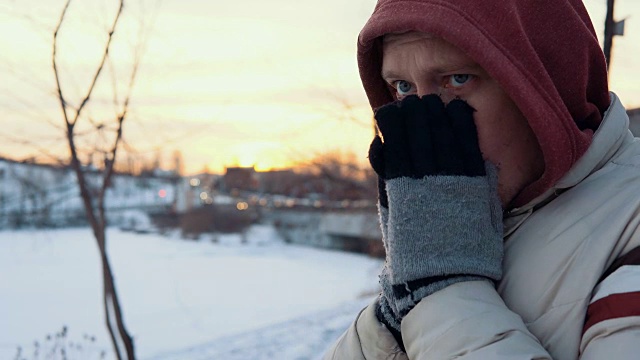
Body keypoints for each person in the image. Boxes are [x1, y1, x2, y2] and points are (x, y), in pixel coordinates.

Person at [324, 0, 640, 359]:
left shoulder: (629, 223)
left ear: (547, 86)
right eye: (403, 88)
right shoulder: (478, 214)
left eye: (458, 79)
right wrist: (400, 304)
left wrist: (440, 291)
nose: (428, 122)